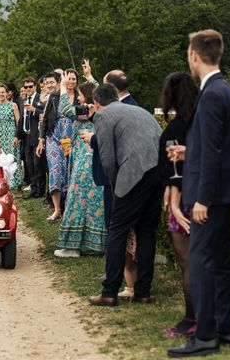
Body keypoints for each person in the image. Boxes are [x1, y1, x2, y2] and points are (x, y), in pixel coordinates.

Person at [167, 30, 230, 358]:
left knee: (200, 262)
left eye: (188, 51)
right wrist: (189, 151)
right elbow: (226, 145)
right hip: (225, 192)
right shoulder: (225, 89)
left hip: (208, 195)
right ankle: (225, 329)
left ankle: (206, 336)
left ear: (195, 55)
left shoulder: (211, 94)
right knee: (221, 263)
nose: (188, 57)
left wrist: (201, 199)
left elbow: (214, 152)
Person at [85, 83, 162, 307]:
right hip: (158, 172)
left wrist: (116, 188)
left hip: (135, 175)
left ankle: (109, 292)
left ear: (97, 103)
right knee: (147, 232)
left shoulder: (103, 115)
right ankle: (143, 291)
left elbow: (107, 159)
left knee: (117, 230)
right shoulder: (140, 111)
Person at [158, 72, 199, 339]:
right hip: (206, 195)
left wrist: (173, 203)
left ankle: (191, 318)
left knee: (187, 262)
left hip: (183, 200)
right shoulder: (201, 121)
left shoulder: (175, 129)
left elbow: (175, 172)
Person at [54, 75, 106, 257]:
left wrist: (62, 86)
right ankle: (96, 244)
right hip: (90, 160)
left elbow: (65, 109)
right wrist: (91, 77)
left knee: (77, 199)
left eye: (81, 94)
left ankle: (72, 247)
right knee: (93, 203)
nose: (78, 97)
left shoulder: (87, 110)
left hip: (86, 162)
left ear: (88, 96)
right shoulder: (96, 109)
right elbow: (101, 90)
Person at [36, 71, 77, 221]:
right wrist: (41, 139)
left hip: (73, 139)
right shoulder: (54, 96)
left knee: (69, 173)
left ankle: (68, 208)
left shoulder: (80, 97)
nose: (70, 82)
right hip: (54, 138)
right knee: (54, 171)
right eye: (68, 79)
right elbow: (45, 119)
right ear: (63, 81)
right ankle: (57, 209)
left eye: (73, 79)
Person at [0, 84, 22, 189]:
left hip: (11, 134)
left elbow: (19, 122)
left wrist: (17, 136)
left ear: (7, 93)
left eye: (3, 92)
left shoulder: (13, 105)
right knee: (1, 158)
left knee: (13, 158)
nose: (1, 94)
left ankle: (16, 184)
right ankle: (2, 181)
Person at [18, 77, 46, 199]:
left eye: (30, 86)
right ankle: (33, 189)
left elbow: (45, 114)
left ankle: (41, 190)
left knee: (37, 163)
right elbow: (21, 120)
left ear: (35, 86)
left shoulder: (41, 97)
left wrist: (33, 109)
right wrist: (17, 135)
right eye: (26, 87)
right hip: (26, 136)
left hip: (37, 135)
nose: (28, 89)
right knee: (29, 164)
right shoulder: (23, 100)